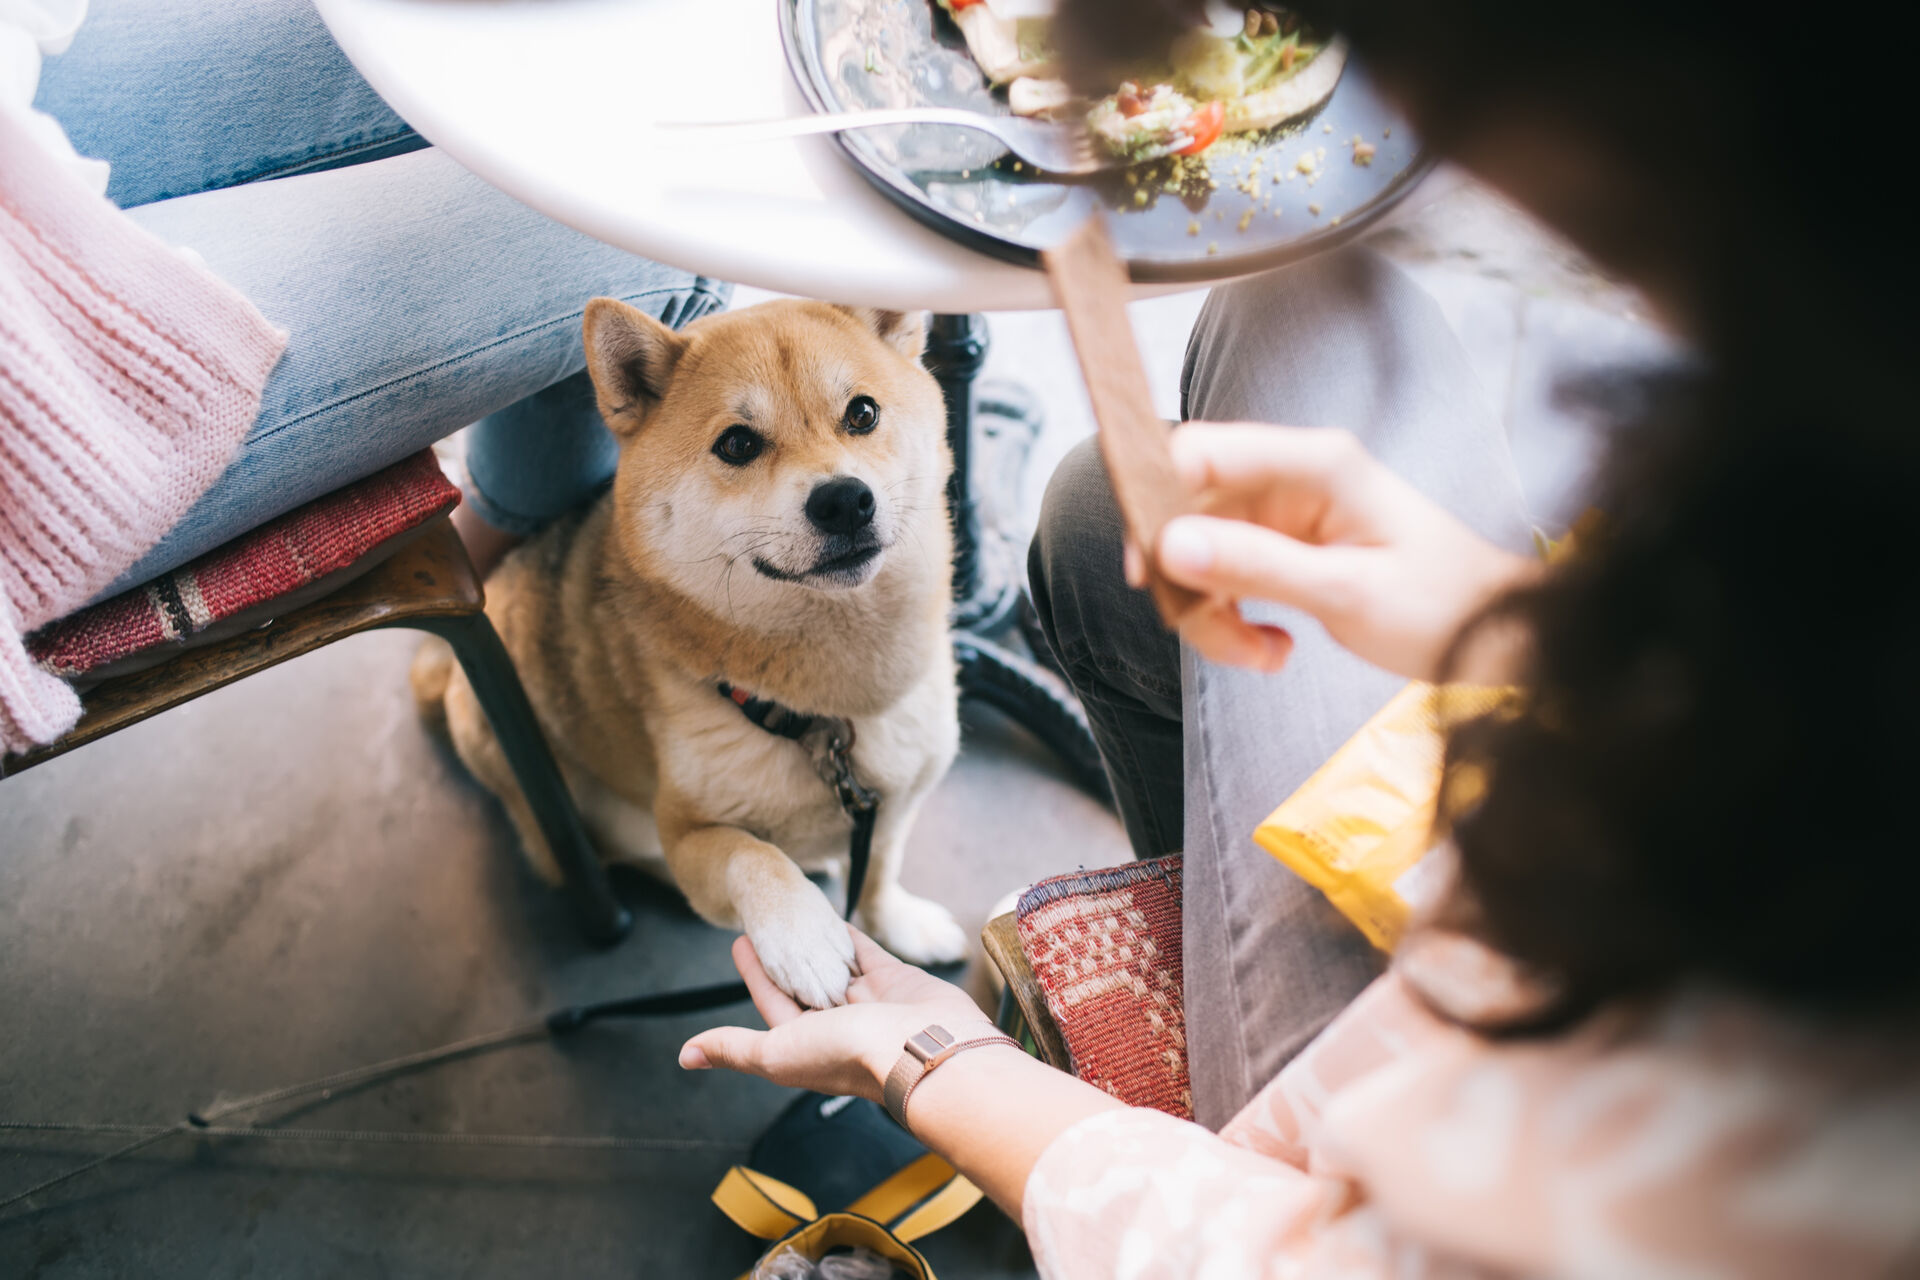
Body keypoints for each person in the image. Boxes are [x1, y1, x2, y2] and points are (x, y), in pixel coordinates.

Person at [678, 0, 1920, 1275]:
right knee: (1172, 455)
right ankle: (1203, 883)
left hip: (1351, 1158)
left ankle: (1184, 1024)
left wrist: (935, 1064)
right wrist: (1515, 637)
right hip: (1660, 864)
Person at [1, 0, 726, 751]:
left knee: (516, 50)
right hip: (35, 385)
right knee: (657, 236)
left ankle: (525, 516)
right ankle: (518, 551)